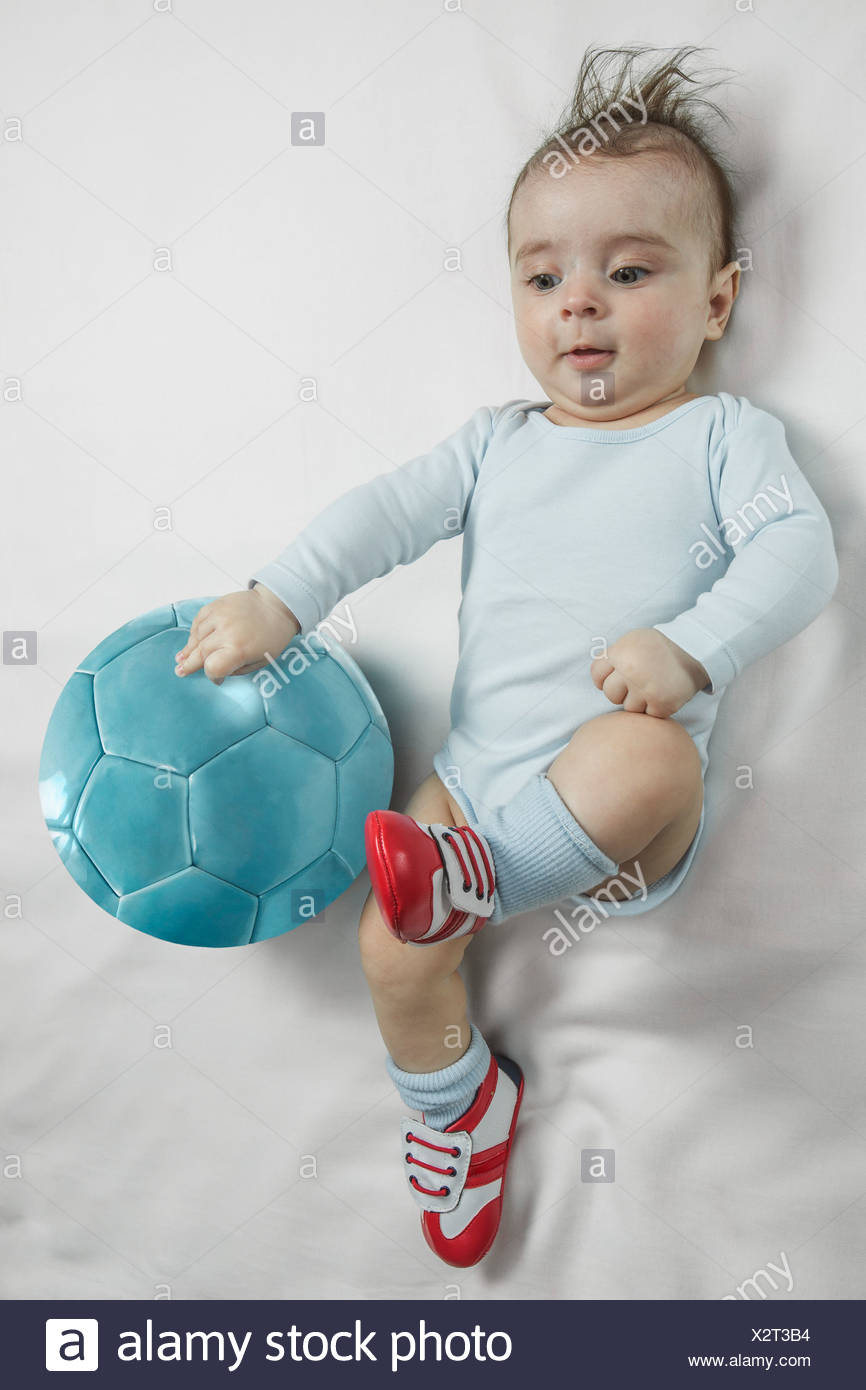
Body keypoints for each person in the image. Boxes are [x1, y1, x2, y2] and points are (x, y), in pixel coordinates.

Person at [172, 45, 839, 1270]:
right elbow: (377, 512)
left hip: (615, 813)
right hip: (472, 788)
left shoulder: (718, 436)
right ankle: (460, 1107)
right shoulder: (496, 445)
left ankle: (476, 878)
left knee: (642, 757)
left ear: (717, 303)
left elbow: (799, 555)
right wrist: (281, 600)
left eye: (627, 270)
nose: (577, 303)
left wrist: (689, 651)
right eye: (543, 277)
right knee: (390, 945)